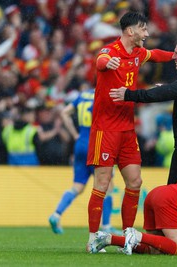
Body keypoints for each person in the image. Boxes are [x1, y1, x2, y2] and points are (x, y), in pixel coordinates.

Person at [86, 12, 174, 251]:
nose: (146, 33)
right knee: (102, 183)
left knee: (135, 181)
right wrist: (107, 63)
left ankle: (127, 236)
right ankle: (93, 237)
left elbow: (156, 55)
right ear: (129, 31)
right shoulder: (110, 51)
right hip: (105, 129)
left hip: (127, 129)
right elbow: (100, 61)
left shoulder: (138, 53)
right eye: (142, 29)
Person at [109, 36, 177, 185]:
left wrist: (129, 94)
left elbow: (168, 92)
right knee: (173, 190)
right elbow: (174, 90)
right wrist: (167, 89)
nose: (173, 57)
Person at [89, 174, 177, 255]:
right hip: (170, 199)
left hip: (156, 193)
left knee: (157, 249)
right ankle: (136, 236)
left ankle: (107, 239)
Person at [48, 88, 120, 236]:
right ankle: (106, 226)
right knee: (107, 185)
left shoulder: (82, 95)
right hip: (97, 143)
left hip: (81, 143)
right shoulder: (104, 95)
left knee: (78, 187)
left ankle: (56, 215)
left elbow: (64, 113)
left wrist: (75, 134)